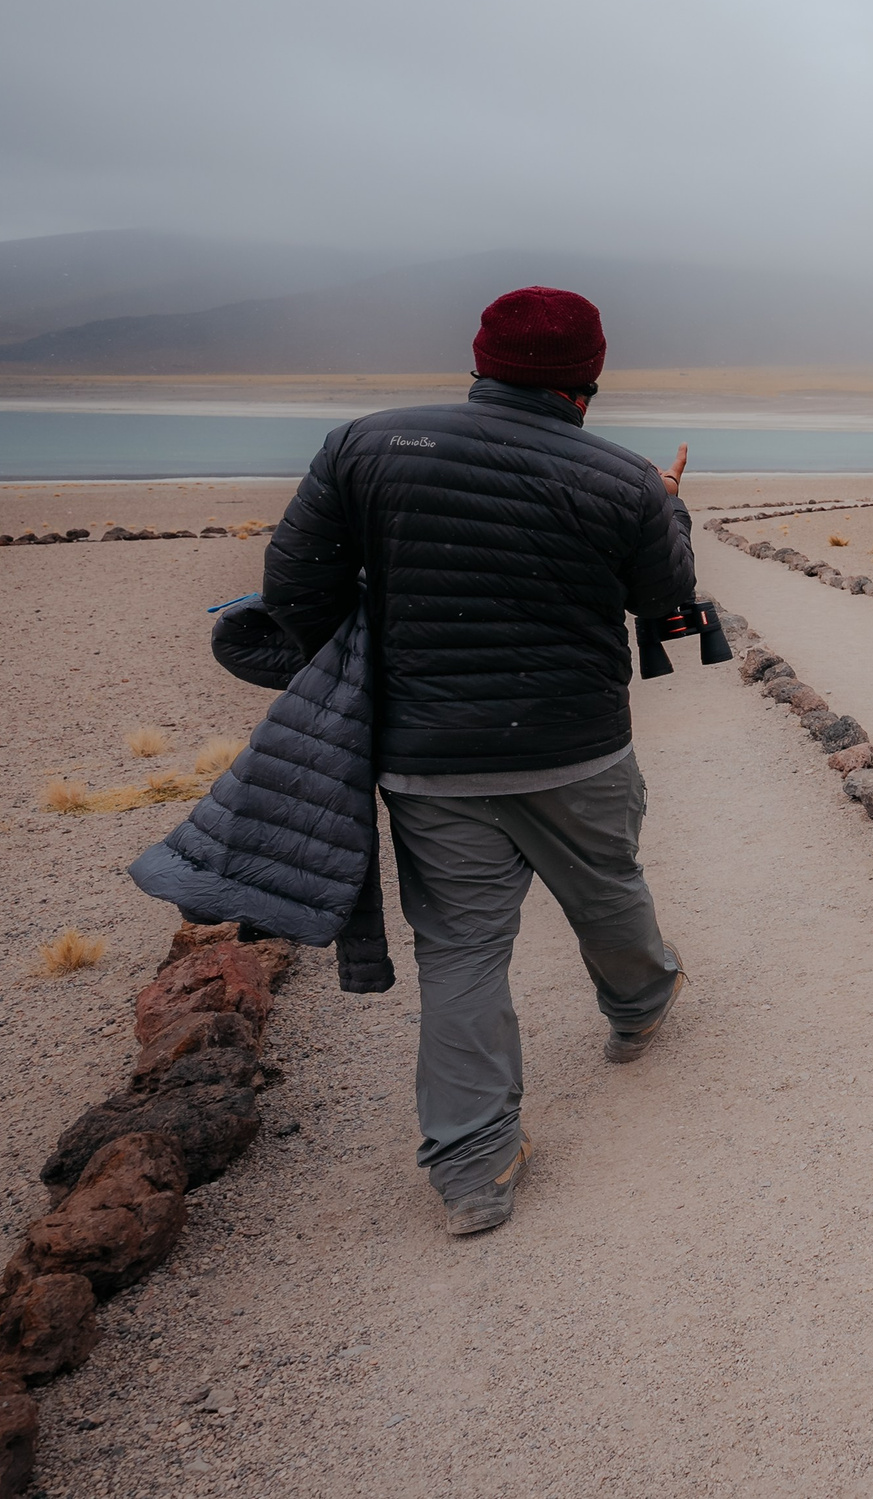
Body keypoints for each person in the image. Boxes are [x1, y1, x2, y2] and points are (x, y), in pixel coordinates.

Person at [260, 285, 696, 1238]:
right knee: (607, 880)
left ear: (481, 360)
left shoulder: (364, 446)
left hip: (428, 758)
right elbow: (663, 598)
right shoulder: (623, 479)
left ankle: (472, 1165)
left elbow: (292, 585)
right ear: (588, 377)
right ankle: (639, 1007)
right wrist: (670, 508)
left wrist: (373, 663)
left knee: (459, 946)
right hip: (578, 743)